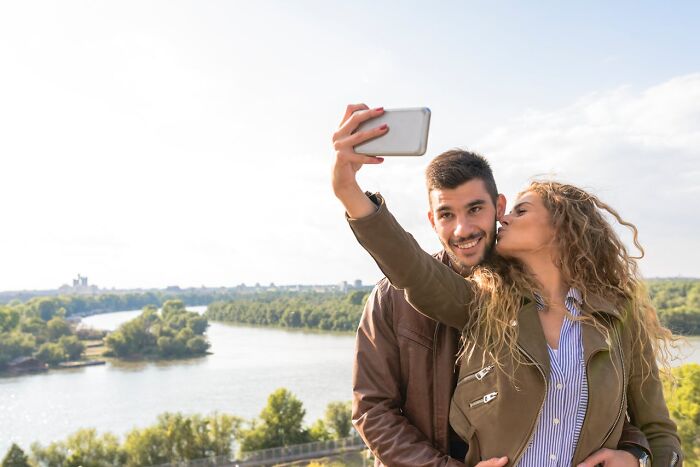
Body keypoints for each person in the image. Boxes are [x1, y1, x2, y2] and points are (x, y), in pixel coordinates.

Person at [338, 104, 658, 466]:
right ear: (431, 219)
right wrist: (349, 190)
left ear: (497, 206)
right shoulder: (402, 297)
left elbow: (619, 417)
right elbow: (373, 412)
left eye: (476, 209)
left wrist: (637, 456)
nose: (463, 229)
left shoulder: (582, 309)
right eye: (446, 214)